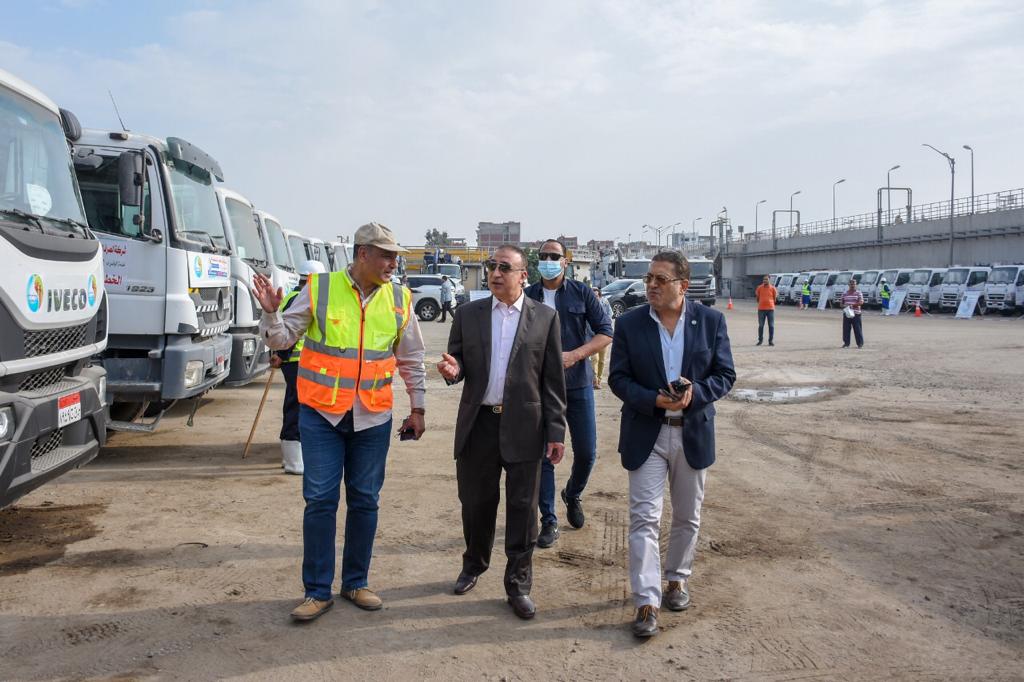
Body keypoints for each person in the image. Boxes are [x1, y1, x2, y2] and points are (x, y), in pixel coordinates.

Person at [253, 222, 427, 623]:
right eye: (386, 256)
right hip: (322, 415)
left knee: (365, 499)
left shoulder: (399, 299)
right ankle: (317, 591)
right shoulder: (321, 289)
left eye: (395, 257)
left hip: (373, 417)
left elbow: (412, 359)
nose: (393, 264)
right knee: (320, 500)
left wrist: (418, 409)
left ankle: (355, 582)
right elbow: (281, 340)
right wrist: (270, 313)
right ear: (363, 254)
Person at [608, 251, 736, 639]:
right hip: (646, 431)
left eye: (660, 280)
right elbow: (618, 379)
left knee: (687, 515)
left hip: (692, 431)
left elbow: (725, 374)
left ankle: (677, 578)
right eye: (649, 278)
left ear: (683, 285)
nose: (651, 285)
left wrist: (695, 393)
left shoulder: (710, 321)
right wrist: (652, 399)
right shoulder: (629, 324)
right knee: (644, 518)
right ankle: (646, 601)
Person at [436, 244, 566, 620]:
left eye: (504, 267)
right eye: (491, 266)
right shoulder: (468, 314)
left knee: (523, 508)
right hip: (479, 423)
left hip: (526, 425)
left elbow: (552, 381)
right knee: (476, 502)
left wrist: (556, 431)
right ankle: (474, 564)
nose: (495, 273)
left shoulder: (545, 318)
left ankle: (518, 584)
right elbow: (458, 362)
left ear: (523, 276)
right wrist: (453, 371)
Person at [524, 239, 612, 546]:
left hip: (577, 384)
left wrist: (575, 355)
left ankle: (572, 493)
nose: (548, 261)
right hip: (539, 387)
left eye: (554, 256)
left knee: (586, 452)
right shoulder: (527, 296)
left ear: (566, 261)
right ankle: (548, 520)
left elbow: (605, 332)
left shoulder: (581, 293)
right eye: (543, 256)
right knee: (544, 456)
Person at [271, 260, 327, 475]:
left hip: (298, 361)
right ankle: (293, 461)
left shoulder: (293, 296)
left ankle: (293, 457)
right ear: (312, 279)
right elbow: (289, 332)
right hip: (296, 361)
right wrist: (281, 355)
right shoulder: (302, 298)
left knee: (298, 406)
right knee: (296, 407)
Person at [590, 286, 614, 389]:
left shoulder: (605, 303)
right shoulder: (588, 305)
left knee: (602, 360)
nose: (595, 298)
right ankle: (594, 380)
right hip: (592, 336)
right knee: (594, 359)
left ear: (599, 296)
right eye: (593, 296)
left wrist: (604, 325)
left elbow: (610, 315)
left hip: (604, 335)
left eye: (596, 296)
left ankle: (599, 379)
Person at [840, 278, 865, 348]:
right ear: (848, 285)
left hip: (856, 313)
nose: (852, 285)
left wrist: (852, 305)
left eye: (854, 284)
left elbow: (861, 302)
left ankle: (860, 344)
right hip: (847, 313)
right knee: (846, 329)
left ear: (856, 285)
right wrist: (845, 306)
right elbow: (841, 304)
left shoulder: (859, 293)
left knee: (858, 329)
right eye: (851, 284)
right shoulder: (844, 293)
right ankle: (846, 343)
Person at [755, 274, 776, 346]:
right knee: (761, 325)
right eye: (764, 279)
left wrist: (770, 303)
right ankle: (760, 340)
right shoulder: (759, 288)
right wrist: (761, 303)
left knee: (771, 326)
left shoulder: (773, 288)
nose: (765, 280)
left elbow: (774, 298)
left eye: (766, 279)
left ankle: (770, 341)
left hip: (770, 309)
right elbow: (757, 298)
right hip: (761, 309)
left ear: (769, 280)